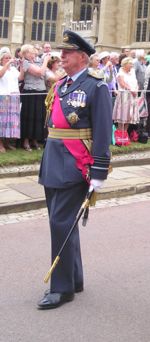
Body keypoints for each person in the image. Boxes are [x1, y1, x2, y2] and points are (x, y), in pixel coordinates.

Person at [37, 30, 112, 310]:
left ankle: (61, 288)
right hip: (54, 161)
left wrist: (99, 171)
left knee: (60, 223)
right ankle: (74, 278)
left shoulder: (97, 87)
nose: (62, 56)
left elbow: (104, 133)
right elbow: (52, 126)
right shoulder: (61, 85)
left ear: (82, 57)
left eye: (67, 52)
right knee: (62, 222)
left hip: (75, 163)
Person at [20, 44, 51, 151]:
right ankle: (26, 141)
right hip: (30, 92)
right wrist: (46, 60)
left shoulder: (38, 62)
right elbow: (40, 72)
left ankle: (35, 139)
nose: (33, 54)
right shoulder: (25, 62)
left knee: (38, 116)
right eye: (31, 52)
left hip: (41, 91)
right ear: (25, 53)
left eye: (34, 52)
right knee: (29, 117)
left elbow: (46, 74)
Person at [0, 47, 24, 153]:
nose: (9, 59)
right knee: (2, 122)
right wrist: (8, 63)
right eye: (6, 58)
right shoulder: (1, 68)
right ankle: (0, 144)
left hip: (14, 97)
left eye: (10, 57)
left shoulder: (13, 69)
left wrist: (22, 66)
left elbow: (21, 78)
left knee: (11, 122)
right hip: (3, 97)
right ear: (1, 59)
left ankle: (7, 143)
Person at [113, 57, 139, 135]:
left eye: (132, 64)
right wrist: (131, 90)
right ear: (125, 64)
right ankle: (120, 134)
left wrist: (136, 89)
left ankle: (125, 133)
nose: (132, 65)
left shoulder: (133, 72)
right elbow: (122, 84)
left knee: (129, 117)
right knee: (122, 116)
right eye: (130, 64)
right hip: (124, 97)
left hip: (133, 96)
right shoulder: (120, 73)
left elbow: (136, 82)